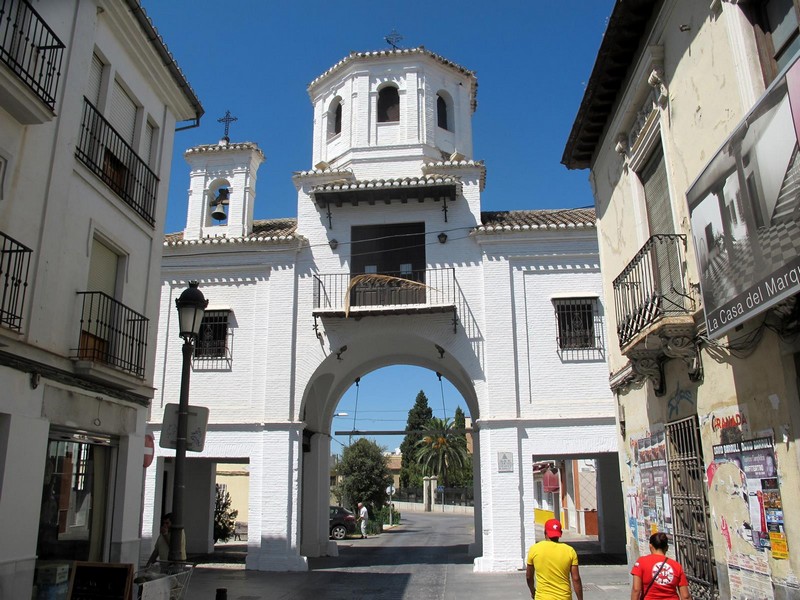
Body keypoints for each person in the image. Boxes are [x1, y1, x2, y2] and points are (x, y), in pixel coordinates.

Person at [526, 518, 583, 600]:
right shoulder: (569, 551)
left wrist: (533, 591)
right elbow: (576, 579)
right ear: (560, 533)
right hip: (564, 597)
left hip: (542, 597)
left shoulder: (534, 549)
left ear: (545, 532)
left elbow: (529, 577)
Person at [630, 532, 691, 599]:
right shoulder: (676, 566)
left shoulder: (641, 562)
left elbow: (636, 590)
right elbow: (685, 596)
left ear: (650, 546)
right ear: (667, 548)